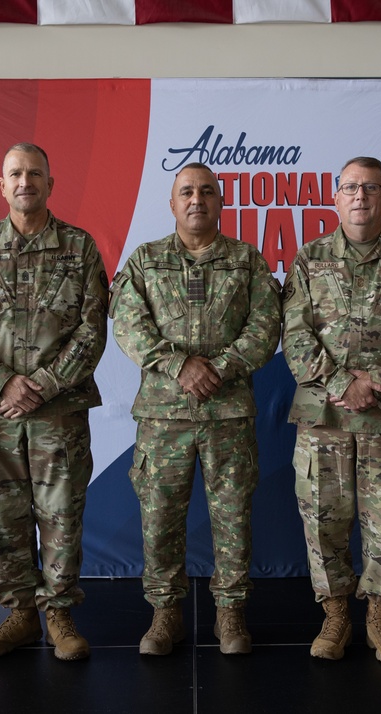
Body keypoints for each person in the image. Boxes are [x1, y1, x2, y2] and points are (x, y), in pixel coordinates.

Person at [110, 162, 281, 656]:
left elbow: (266, 327)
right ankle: (165, 615)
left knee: (232, 517)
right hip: (164, 418)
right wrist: (178, 364)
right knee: (159, 517)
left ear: (221, 202)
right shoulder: (146, 260)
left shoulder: (247, 261)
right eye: (186, 191)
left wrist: (221, 368)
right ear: (172, 203)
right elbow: (128, 323)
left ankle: (231, 614)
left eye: (207, 192)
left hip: (227, 415)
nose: (196, 200)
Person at [0, 143, 107, 662]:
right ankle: (18, 614)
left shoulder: (79, 248)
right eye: (15, 173)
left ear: (50, 184)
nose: (25, 181)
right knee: (3, 515)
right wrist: (2, 381)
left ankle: (59, 613)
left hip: (58, 411)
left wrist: (44, 384)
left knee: (61, 514)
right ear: (1, 185)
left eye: (34, 173)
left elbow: (92, 328)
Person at [282, 156, 381, 662]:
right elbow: (293, 331)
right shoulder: (310, 258)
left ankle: (379, 618)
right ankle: (335, 618)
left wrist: (380, 384)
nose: (360, 197)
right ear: (335, 199)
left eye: (371, 188)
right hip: (323, 417)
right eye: (351, 187)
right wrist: (339, 383)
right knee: (323, 521)